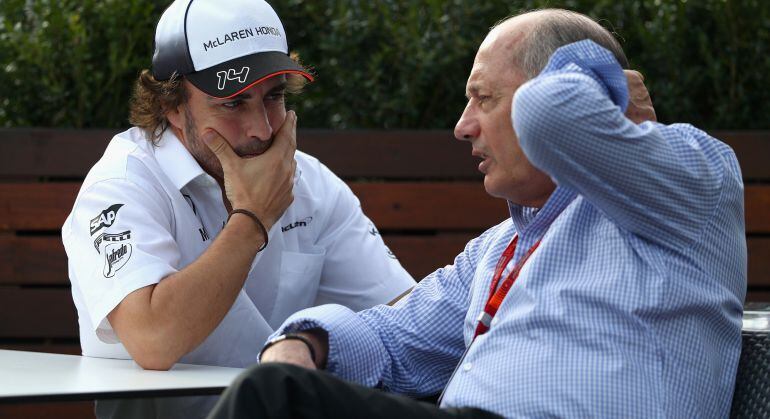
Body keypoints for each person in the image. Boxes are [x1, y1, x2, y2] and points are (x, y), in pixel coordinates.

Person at [208, 8, 747, 419]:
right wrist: (303, 341)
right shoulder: (497, 248)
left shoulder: (689, 187)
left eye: (484, 98)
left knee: (268, 397)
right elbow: (393, 339)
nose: (463, 126)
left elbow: (549, 115)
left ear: (578, 91)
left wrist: (595, 78)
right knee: (277, 390)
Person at [61, 0, 415, 417]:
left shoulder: (312, 183)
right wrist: (253, 219)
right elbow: (152, 339)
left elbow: (404, 316)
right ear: (171, 105)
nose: (262, 129)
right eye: (233, 103)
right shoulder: (123, 184)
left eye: (274, 96)